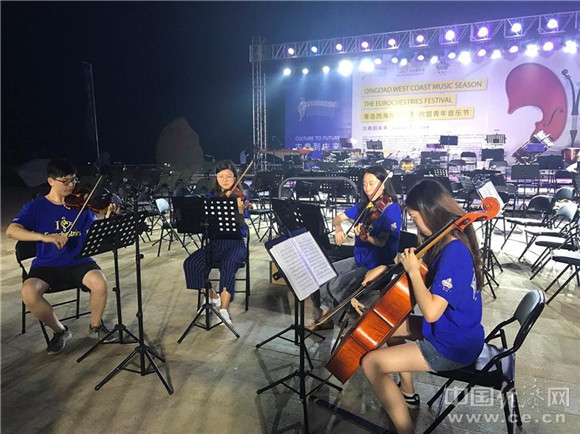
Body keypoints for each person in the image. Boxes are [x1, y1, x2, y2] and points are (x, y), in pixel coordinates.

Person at [360, 179, 485, 434]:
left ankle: (405, 430)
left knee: (371, 363)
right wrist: (385, 268)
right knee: (386, 326)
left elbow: (431, 311)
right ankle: (408, 394)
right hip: (452, 329)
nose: (415, 225)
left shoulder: (454, 253)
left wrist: (413, 272)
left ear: (431, 213)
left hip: (454, 345)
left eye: (416, 218)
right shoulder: (446, 240)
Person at [6, 158, 117, 355]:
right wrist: (44, 237)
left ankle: (96, 326)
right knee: (29, 293)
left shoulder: (83, 205)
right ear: (51, 181)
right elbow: (12, 230)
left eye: (74, 180)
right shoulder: (37, 207)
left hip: (79, 260)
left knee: (100, 282)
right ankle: (60, 331)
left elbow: (97, 226)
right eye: (65, 181)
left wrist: (109, 216)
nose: (71, 185)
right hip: (47, 263)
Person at [306, 166, 401, 331]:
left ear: (383, 185)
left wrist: (367, 237)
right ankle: (327, 317)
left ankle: (344, 320)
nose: (367, 188)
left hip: (376, 265)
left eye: (372, 183)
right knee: (324, 273)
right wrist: (338, 228)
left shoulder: (391, 209)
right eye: (364, 184)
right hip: (359, 259)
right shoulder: (365, 206)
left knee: (335, 286)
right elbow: (337, 218)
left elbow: (382, 243)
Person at [183, 160, 251, 327]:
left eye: (229, 176)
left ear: (235, 177)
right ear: (216, 178)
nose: (225, 180)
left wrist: (240, 210)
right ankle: (213, 296)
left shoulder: (240, 197)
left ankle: (223, 310)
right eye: (221, 176)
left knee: (228, 264)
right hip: (214, 243)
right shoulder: (209, 197)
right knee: (191, 264)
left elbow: (242, 226)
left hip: (235, 244)